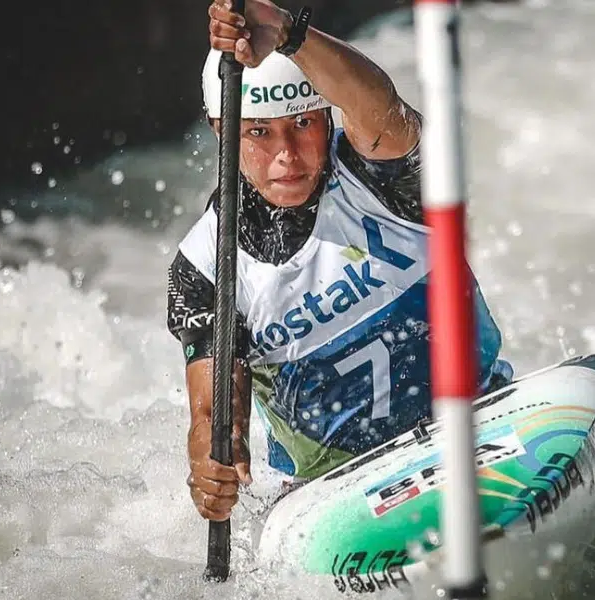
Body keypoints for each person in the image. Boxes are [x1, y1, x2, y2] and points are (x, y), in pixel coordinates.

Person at [167, 0, 513, 522]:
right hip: (336, 489)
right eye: (260, 132)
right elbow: (214, 407)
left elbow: (380, 106)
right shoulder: (207, 265)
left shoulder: (380, 177)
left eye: (303, 123)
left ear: (327, 115)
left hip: (481, 424)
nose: (288, 154)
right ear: (222, 130)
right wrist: (213, 455)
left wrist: (288, 33)